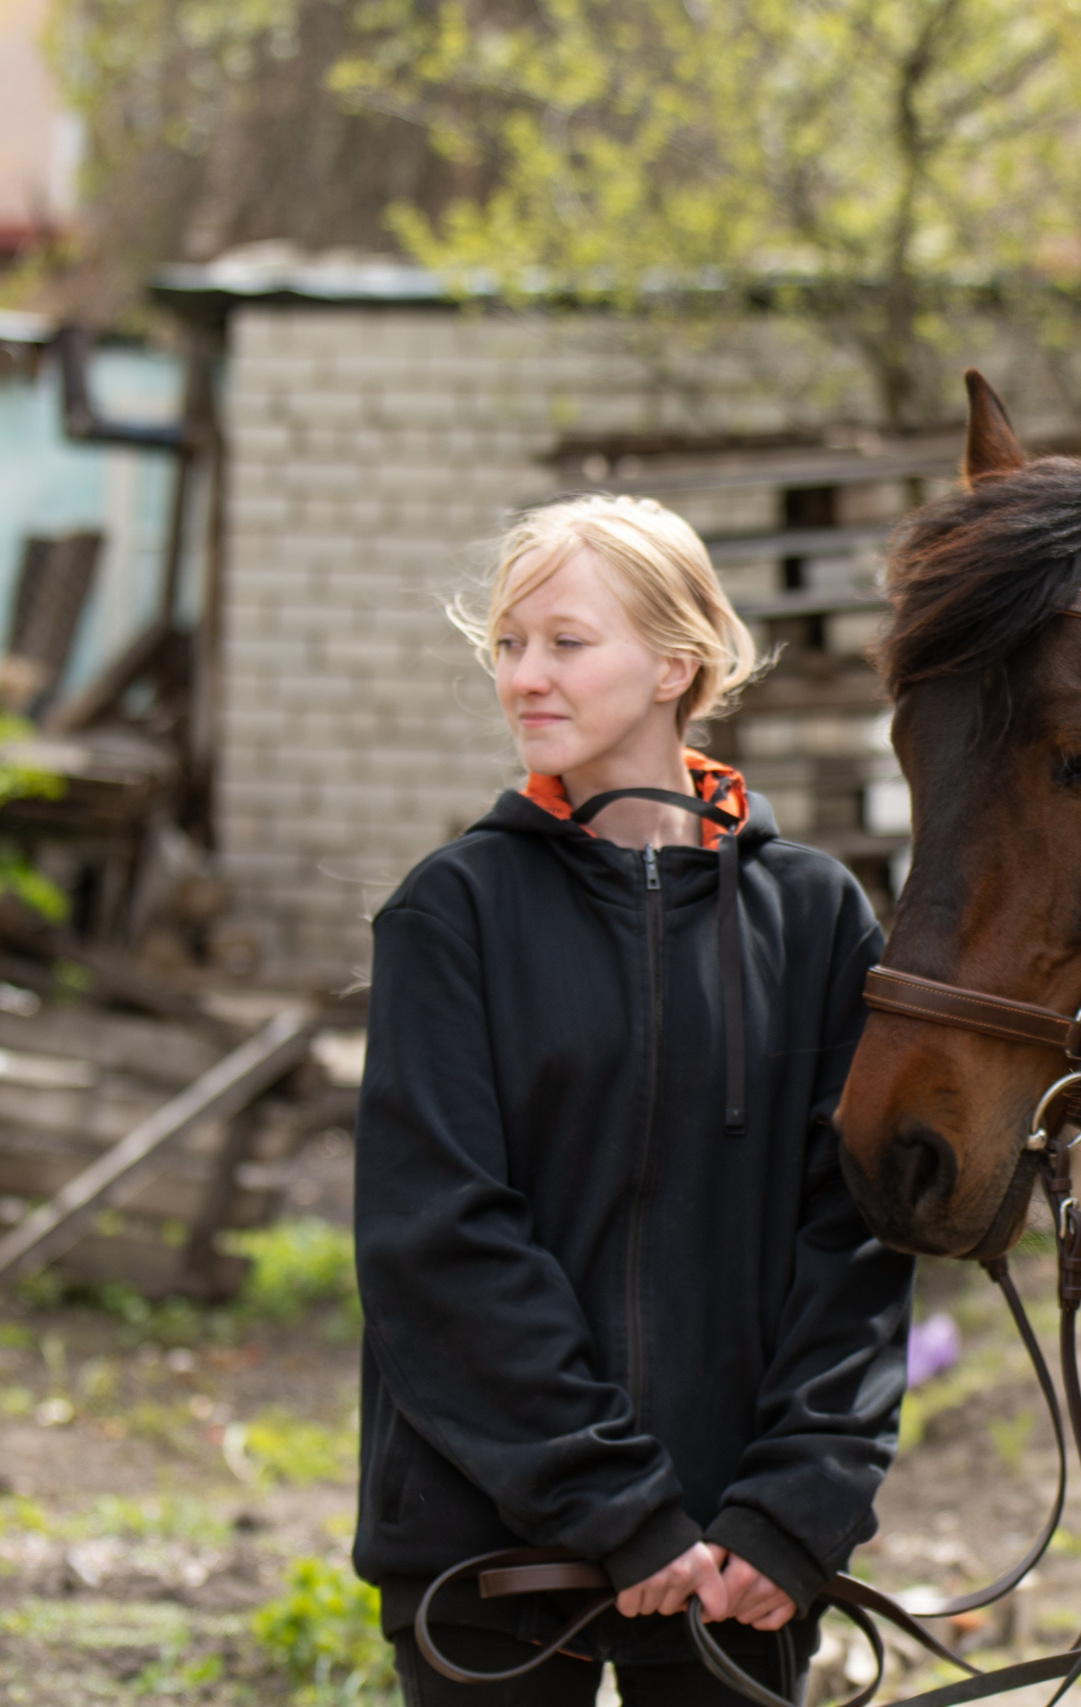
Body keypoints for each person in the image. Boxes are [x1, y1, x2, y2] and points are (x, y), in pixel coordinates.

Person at [351, 494, 911, 1703]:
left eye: (564, 641)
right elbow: (436, 1240)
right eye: (508, 643)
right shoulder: (450, 914)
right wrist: (613, 1506)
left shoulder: (813, 919)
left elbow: (852, 1238)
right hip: (487, 1551)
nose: (524, 677)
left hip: (736, 1561)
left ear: (675, 663)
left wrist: (798, 1506)